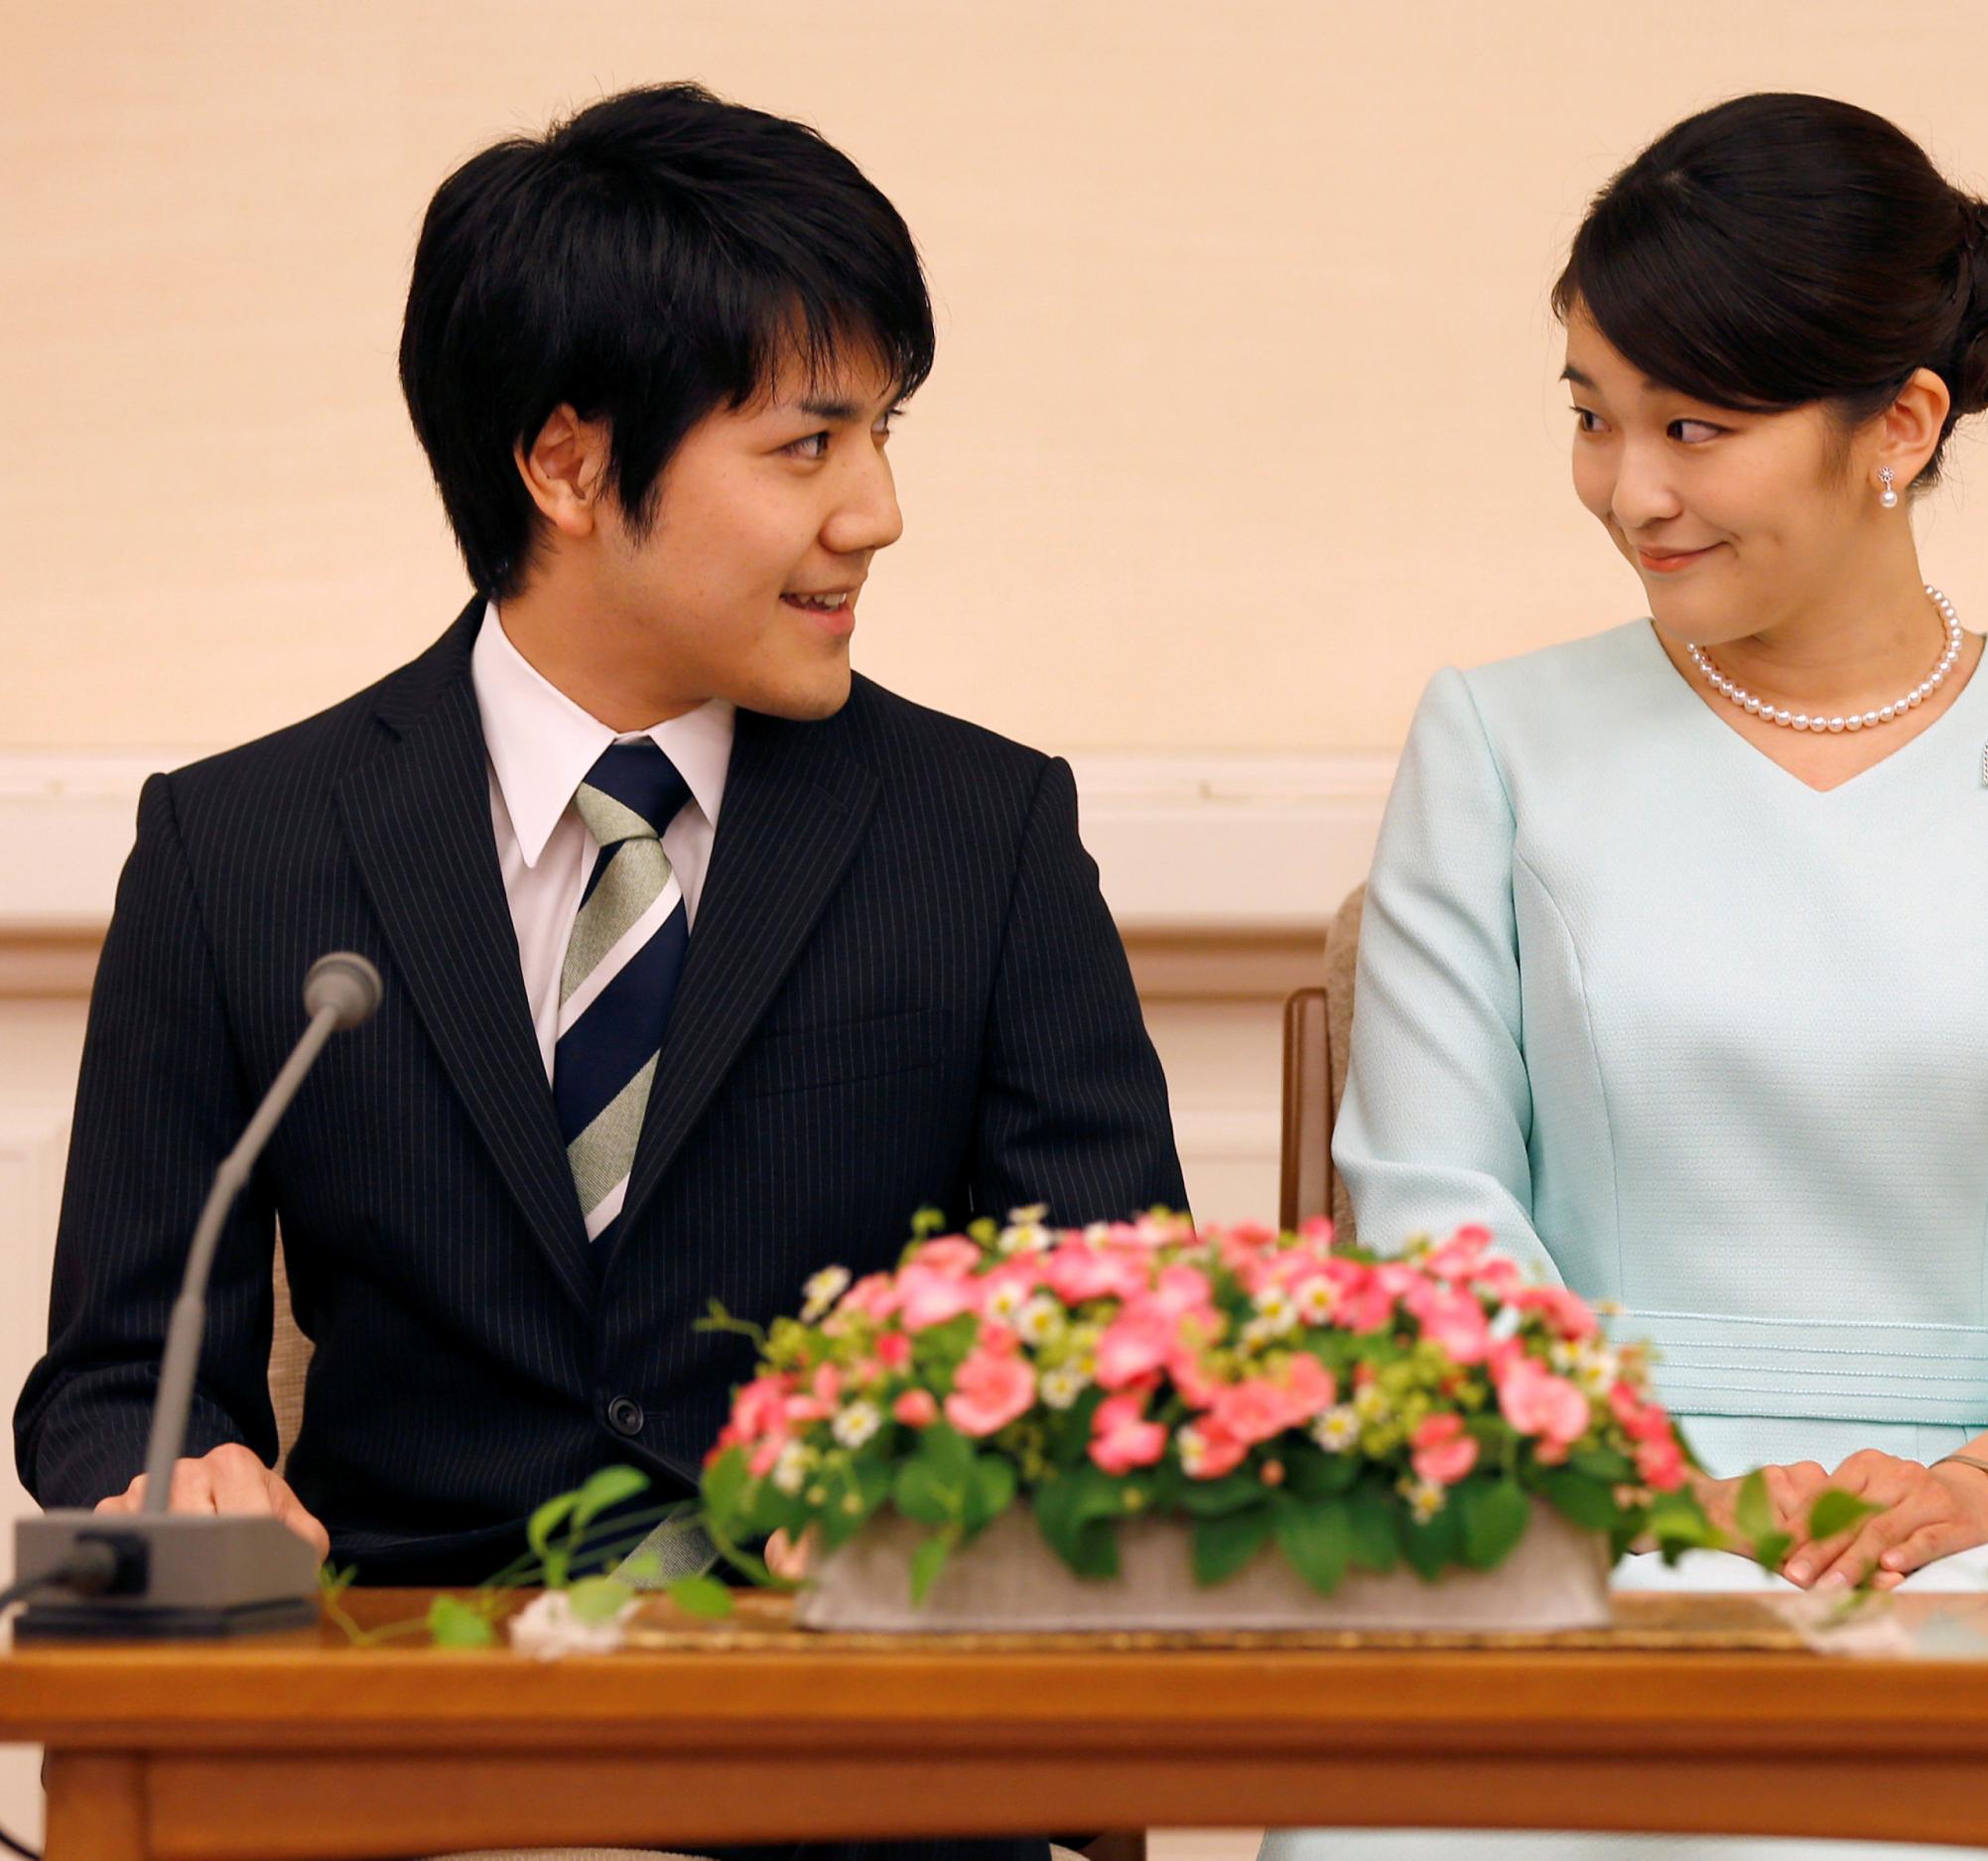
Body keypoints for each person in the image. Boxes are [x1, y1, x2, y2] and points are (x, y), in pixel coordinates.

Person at [16, 81, 1183, 1861]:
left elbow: (1123, 1335)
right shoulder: (238, 853)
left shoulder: (984, 834)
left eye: (884, 434)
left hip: (863, 1760)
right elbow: (111, 1376)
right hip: (397, 1747)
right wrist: (182, 1476)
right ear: (566, 466)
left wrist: (934, 1501)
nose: (875, 513)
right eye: (807, 445)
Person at [1263, 91, 1988, 1861]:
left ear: (1900, 423)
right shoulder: (1499, 741)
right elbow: (1430, 1210)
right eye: (1594, 418)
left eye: (1695, 428)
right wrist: (1670, 1482)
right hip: (1569, 1521)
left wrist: (1985, 1481)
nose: (1627, 490)